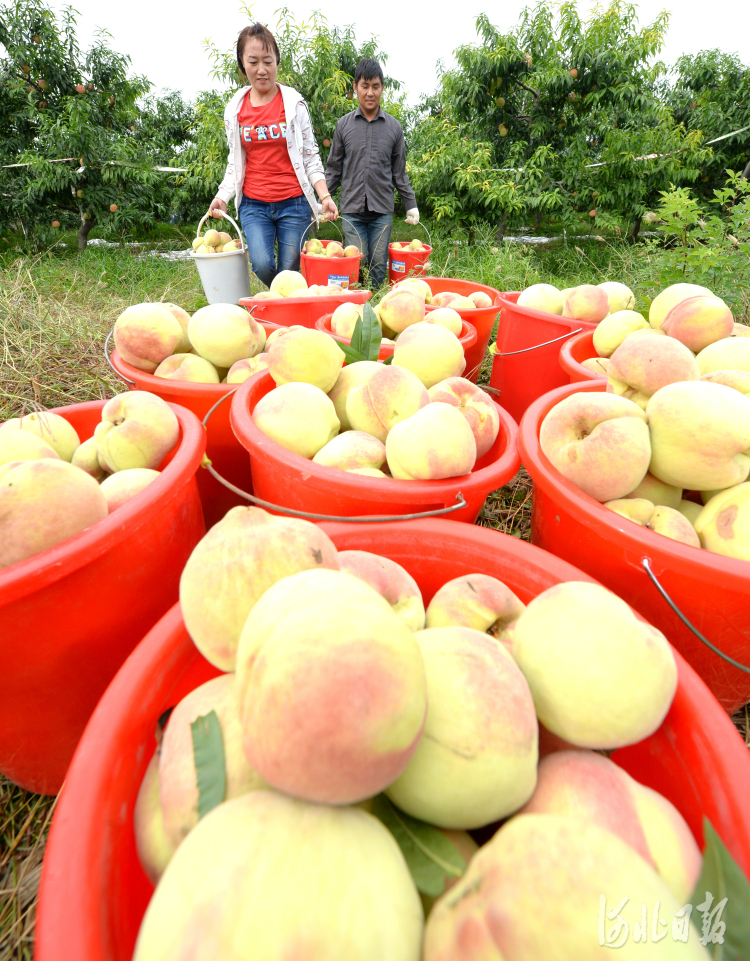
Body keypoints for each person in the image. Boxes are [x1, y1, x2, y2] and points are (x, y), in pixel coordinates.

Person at [208, 23, 338, 287]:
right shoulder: (235, 110)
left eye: (268, 61)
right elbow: (235, 162)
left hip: (294, 202)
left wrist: (324, 196)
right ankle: (282, 300)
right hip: (254, 204)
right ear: (242, 64)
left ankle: (283, 316)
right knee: (262, 263)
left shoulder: (294, 104)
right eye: (253, 61)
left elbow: (311, 156)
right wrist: (222, 197)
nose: (262, 69)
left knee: (291, 267)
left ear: (277, 61)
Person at [325, 58, 419, 288]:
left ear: (382, 88)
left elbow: (399, 173)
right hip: (352, 208)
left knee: (378, 264)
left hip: (381, 211)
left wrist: (411, 204)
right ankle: (355, 308)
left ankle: (375, 308)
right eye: (365, 86)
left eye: (375, 86)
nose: (370, 93)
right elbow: (334, 168)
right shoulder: (343, 125)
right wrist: (324, 198)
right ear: (355, 87)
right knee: (358, 259)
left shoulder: (394, 128)